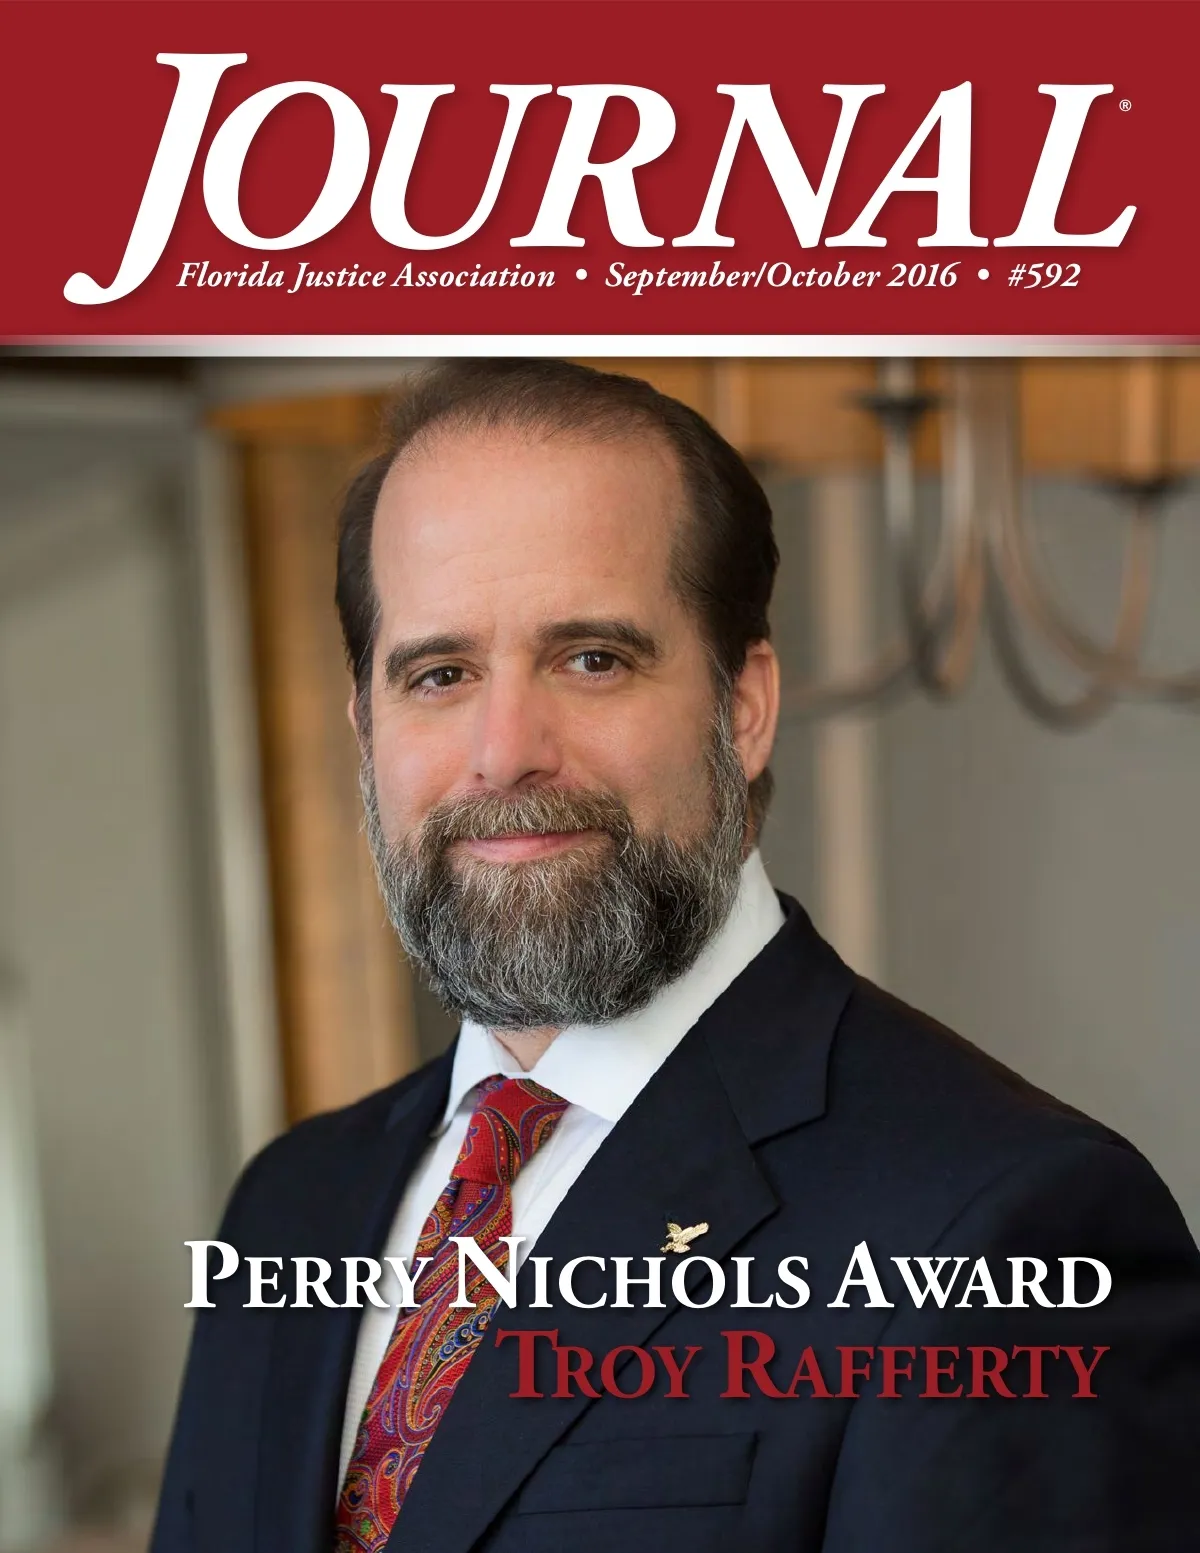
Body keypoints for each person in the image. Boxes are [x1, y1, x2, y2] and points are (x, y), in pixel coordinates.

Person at [151, 359, 1200, 1553]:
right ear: (366, 729)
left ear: (742, 706)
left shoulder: (1006, 1224)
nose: (505, 749)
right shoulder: (286, 1209)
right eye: (440, 674)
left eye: (592, 657)